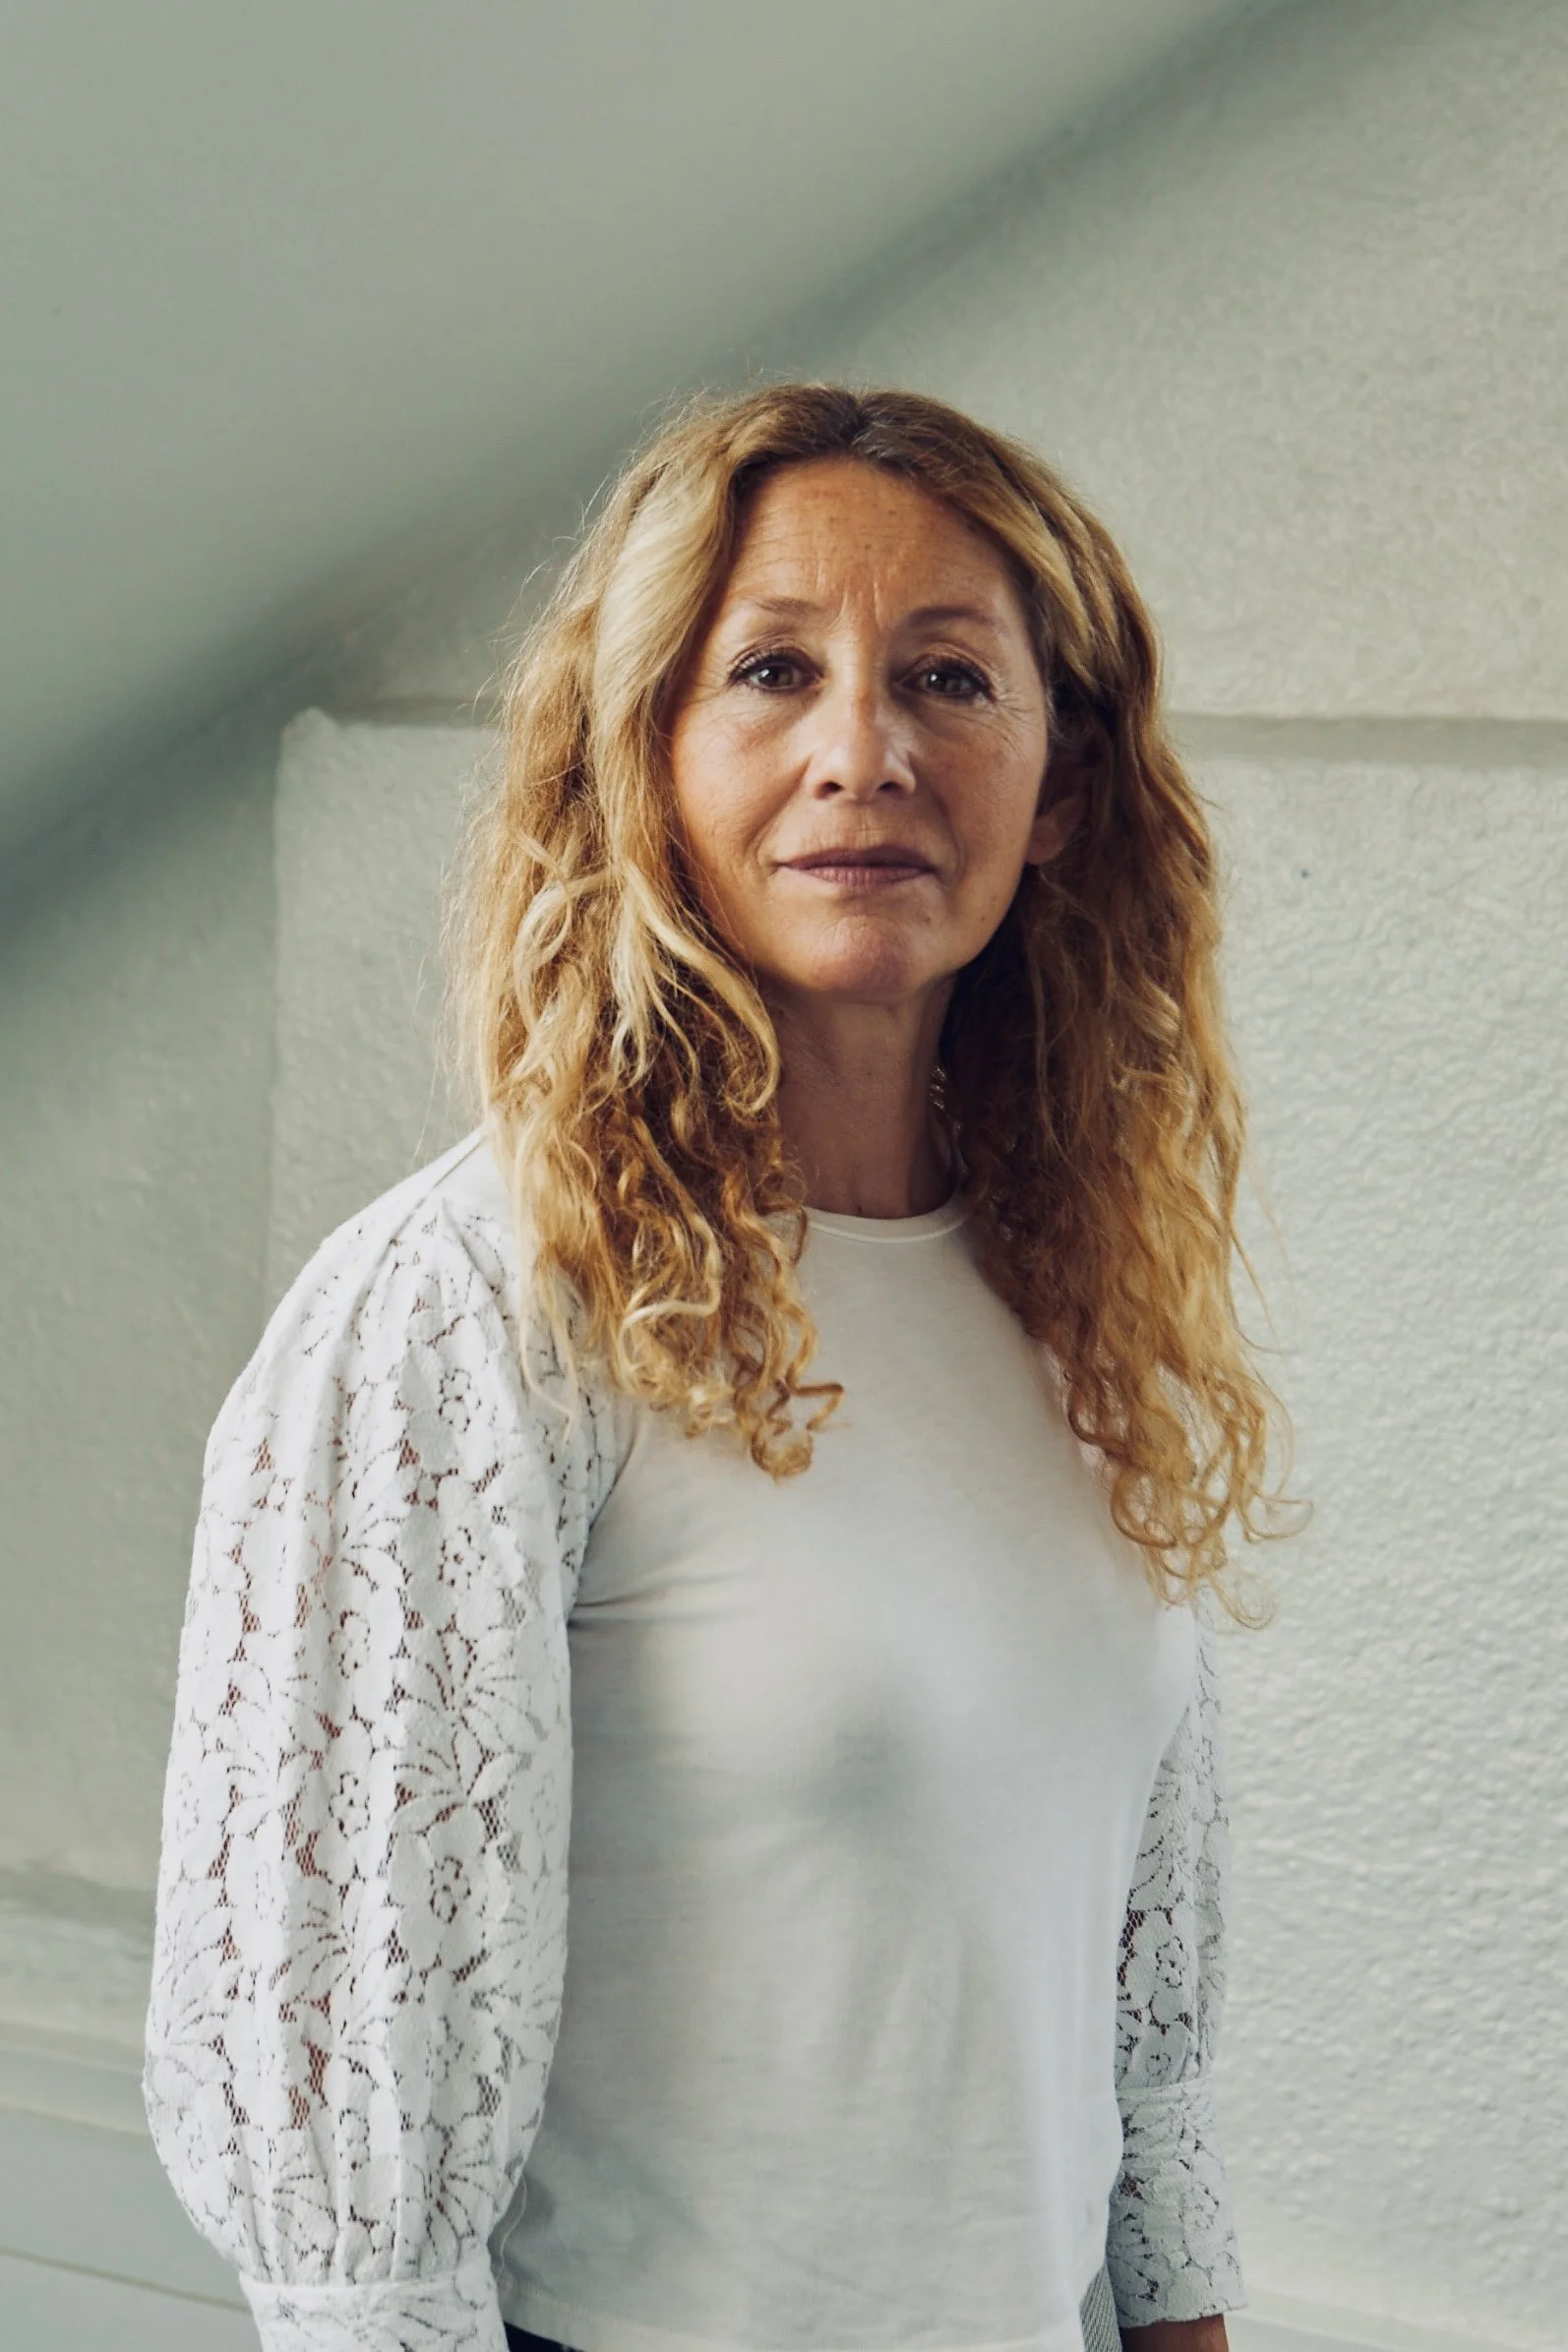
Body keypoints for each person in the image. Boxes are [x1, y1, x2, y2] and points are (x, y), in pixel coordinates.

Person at [145, 383, 1297, 2352]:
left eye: (948, 678)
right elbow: (352, 2209)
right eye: (771, 670)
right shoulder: (468, 1308)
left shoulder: (1076, 1290)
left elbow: (1132, 2042)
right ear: (645, 754)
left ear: (1066, 780)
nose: (867, 754)